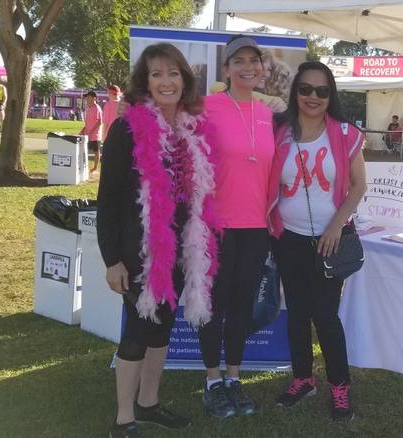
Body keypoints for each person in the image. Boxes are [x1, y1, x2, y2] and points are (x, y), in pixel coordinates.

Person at [97, 42, 217, 437]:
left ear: (184, 79)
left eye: (173, 73)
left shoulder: (191, 128)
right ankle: (122, 418)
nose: (166, 82)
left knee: (162, 329)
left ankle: (148, 403)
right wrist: (112, 259)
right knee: (137, 331)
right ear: (144, 83)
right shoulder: (126, 128)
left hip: (180, 251)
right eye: (156, 74)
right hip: (139, 254)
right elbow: (109, 198)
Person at [269, 61, 365, 422]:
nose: (313, 96)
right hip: (288, 238)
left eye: (321, 91)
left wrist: (335, 226)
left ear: (331, 95)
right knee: (296, 313)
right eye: (305, 89)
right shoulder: (279, 132)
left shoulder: (344, 134)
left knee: (325, 316)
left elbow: (359, 187)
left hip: (332, 241)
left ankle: (340, 387)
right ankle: (303, 378)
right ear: (295, 91)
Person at [198, 35, 275, 419]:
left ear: (262, 68)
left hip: (256, 227)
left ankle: (233, 377)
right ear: (226, 70)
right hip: (216, 226)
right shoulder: (207, 107)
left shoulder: (267, 114)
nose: (248, 67)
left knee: (242, 306)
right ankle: (212, 380)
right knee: (213, 306)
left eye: (254, 61)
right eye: (239, 61)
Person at [80, 91, 103, 173]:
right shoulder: (87, 108)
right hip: (87, 134)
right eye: (87, 97)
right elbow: (87, 121)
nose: (87, 99)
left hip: (95, 135)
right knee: (84, 150)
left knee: (96, 151)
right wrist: (83, 129)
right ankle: (84, 166)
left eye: (89, 97)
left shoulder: (97, 108)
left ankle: (95, 168)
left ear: (94, 98)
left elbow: (100, 122)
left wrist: (91, 132)